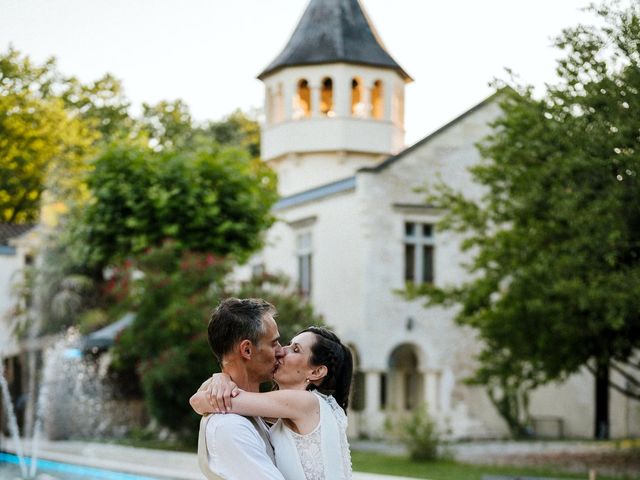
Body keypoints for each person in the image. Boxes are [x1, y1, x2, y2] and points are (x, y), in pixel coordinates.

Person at [191, 323, 354, 480]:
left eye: (295, 350)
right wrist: (221, 379)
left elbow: (201, 402)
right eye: (289, 344)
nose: (282, 351)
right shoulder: (295, 412)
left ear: (316, 371)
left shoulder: (305, 402)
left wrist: (222, 378)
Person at [194, 297, 286, 480]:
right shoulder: (229, 427)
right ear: (247, 350)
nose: (281, 351)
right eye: (274, 343)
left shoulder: (250, 414)